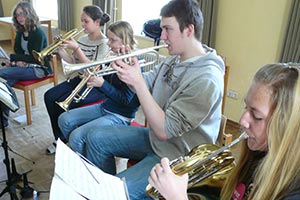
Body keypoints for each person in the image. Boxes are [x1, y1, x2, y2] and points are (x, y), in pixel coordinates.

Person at [85, 0, 225, 199]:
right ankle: (106, 189)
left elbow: (163, 130)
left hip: (179, 158)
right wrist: (128, 69)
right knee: (95, 138)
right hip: (157, 142)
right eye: (162, 29)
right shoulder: (173, 60)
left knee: (113, 192)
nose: (162, 37)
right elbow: (144, 83)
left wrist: (139, 83)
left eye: (168, 29)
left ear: (189, 29)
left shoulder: (207, 79)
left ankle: (109, 193)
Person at [148, 63, 300, 200]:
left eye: (256, 116)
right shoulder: (259, 155)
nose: (243, 120)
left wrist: (177, 196)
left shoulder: (293, 192)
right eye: (246, 107)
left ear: (286, 127)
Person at [57, 21, 140, 156]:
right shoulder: (112, 57)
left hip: (121, 116)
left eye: (112, 40)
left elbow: (126, 100)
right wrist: (92, 76)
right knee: (64, 119)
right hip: (105, 107)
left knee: (76, 137)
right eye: (109, 39)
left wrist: (102, 84)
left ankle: (89, 163)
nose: (108, 43)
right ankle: (85, 154)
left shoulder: (133, 64)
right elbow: (105, 84)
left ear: (125, 41)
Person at [44, 5, 110, 154]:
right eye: (81, 21)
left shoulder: (104, 43)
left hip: (95, 86)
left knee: (61, 106)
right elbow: (74, 63)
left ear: (97, 22)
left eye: (86, 21)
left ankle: (71, 141)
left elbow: (94, 70)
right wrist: (61, 50)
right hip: (79, 79)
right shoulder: (81, 39)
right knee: (49, 96)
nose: (82, 25)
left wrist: (76, 49)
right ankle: (60, 139)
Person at [0, 2, 51, 128]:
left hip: (38, 68)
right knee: (3, 84)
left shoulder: (38, 33)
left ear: (30, 14)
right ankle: (3, 120)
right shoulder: (20, 32)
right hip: (23, 67)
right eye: (17, 15)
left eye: (22, 14)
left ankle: (8, 112)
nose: (20, 18)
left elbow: (35, 59)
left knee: (1, 75)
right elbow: (19, 52)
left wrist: (13, 59)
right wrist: (15, 62)